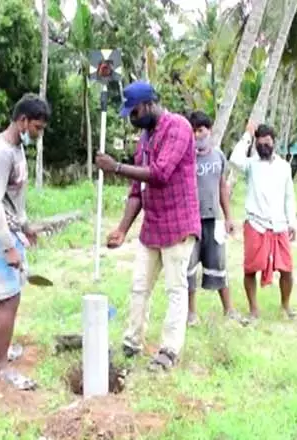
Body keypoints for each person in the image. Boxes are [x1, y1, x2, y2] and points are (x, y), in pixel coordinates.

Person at [95, 81, 200, 372]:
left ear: (150, 104)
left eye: (135, 111)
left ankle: (169, 351)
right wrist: (122, 229)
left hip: (178, 225)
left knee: (175, 290)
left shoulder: (178, 127)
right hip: (152, 226)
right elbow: (136, 189)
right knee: (139, 286)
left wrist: (115, 167)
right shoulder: (145, 138)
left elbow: (160, 173)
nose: (132, 118)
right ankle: (132, 342)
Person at [0, 93, 48, 390]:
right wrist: (8, 245)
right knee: (10, 298)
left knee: (3, 295)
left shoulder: (16, 149)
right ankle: (1, 367)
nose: (39, 134)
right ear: (22, 121)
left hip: (4, 230)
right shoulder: (2, 153)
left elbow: (12, 199)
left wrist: (25, 227)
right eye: (37, 128)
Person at [228, 122, 297, 321]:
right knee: (250, 268)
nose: (263, 147)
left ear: (274, 142)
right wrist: (247, 135)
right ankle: (253, 310)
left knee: (287, 269)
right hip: (255, 223)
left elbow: (289, 196)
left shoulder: (284, 167)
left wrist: (291, 222)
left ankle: (285, 307)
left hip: (279, 224)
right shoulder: (250, 164)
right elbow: (234, 160)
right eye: (260, 144)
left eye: (267, 143)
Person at [185, 111, 243, 326]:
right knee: (188, 268)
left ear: (209, 131)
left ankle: (229, 310)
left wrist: (228, 217)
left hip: (214, 220)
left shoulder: (218, 156)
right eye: (193, 131)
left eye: (200, 130)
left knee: (218, 263)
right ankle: (191, 314)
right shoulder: (185, 157)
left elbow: (222, 187)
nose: (197, 135)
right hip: (191, 221)